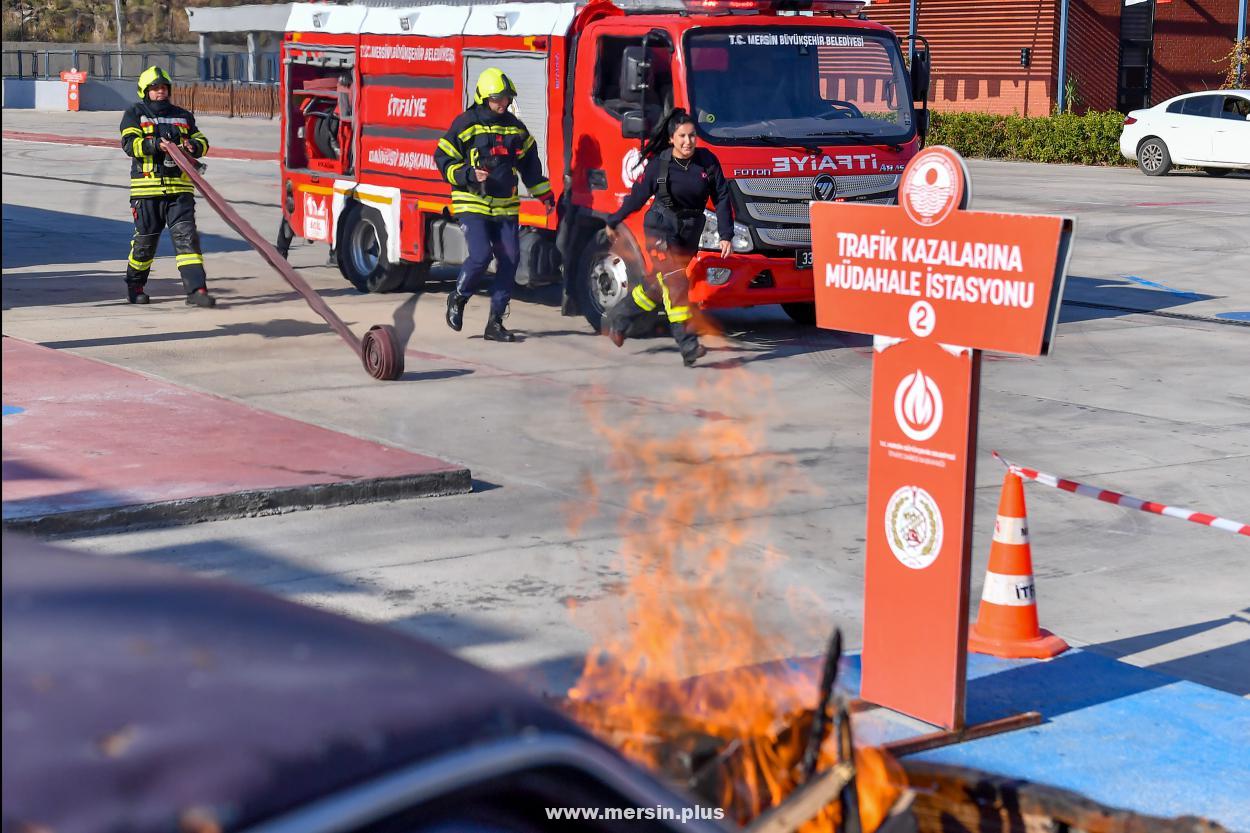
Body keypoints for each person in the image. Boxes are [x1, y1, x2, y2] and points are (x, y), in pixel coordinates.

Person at [602, 109, 733, 367]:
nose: (688, 142)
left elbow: (722, 197)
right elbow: (637, 197)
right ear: (672, 138)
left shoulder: (707, 162)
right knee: (675, 284)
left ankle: (619, 318)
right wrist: (614, 219)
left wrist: (726, 234)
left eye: (693, 136)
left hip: (689, 232)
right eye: (682, 136)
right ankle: (688, 345)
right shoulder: (659, 165)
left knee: (657, 286)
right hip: (661, 230)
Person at [434, 68, 555, 342]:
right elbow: (443, 158)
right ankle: (459, 297)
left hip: (505, 206)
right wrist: (467, 174)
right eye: (497, 99)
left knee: (510, 260)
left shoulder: (515, 128)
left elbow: (531, 169)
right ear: (483, 97)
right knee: (480, 255)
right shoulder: (465, 124)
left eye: (507, 98)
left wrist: (545, 196)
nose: (503, 104)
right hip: (471, 201)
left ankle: (495, 324)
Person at [119, 66, 215, 307]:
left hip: (180, 191)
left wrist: (193, 146)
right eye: (155, 88)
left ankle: (197, 290)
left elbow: (202, 140)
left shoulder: (183, 115)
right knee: (145, 242)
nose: (160, 92)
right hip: (147, 191)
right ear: (145, 90)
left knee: (187, 240)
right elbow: (130, 144)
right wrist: (155, 145)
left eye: (163, 88)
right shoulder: (135, 113)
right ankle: (135, 285)